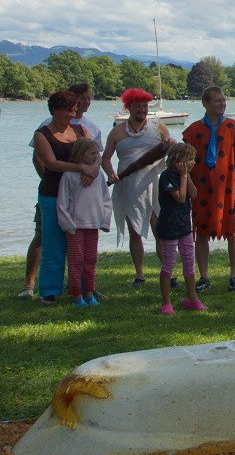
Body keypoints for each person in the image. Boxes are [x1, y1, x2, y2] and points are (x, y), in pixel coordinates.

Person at [20, 82, 101, 300]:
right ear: (55, 109)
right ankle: (50, 292)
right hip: (51, 193)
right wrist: (80, 167)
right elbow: (51, 163)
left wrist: (92, 170)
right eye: (69, 110)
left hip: (80, 194)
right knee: (53, 244)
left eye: (75, 110)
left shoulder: (80, 130)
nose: (73, 114)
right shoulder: (42, 134)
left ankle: (85, 287)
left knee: (82, 245)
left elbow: (94, 153)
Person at [102, 88, 171, 287]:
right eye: (137, 106)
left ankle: (168, 273)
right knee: (134, 232)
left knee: (160, 230)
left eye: (145, 106)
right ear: (128, 107)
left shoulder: (158, 126)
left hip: (155, 184)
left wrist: (171, 145)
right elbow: (105, 158)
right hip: (128, 186)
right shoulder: (117, 131)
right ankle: (139, 275)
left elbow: (170, 150)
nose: (142, 109)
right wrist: (110, 173)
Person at [182, 86, 235, 293]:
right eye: (218, 100)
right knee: (201, 232)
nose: (223, 103)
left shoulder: (233, 128)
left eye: (224, 100)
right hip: (200, 189)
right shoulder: (192, 131)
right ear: (206, 103)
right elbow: (184, 163)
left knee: (233, 231)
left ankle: (234, 276)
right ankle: (204, 277)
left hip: (228, 188)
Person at [56, 137, 111, 307]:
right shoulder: (68, 176)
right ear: (81, 155)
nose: (96, 156)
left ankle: (89, 294)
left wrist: (104, 221)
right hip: (75, 228)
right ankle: (77, 296)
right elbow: (62, 203)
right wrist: (69, 226)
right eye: (92, 153)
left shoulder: (99, 175)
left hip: (93, 226)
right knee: (76, 261)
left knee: (91, 260)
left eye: (97, 153)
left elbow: (105, 199)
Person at [156, 142, 206, 316]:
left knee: (188, 262)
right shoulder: (167, 177)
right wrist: (183, 177)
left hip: (184, 226)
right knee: (168, 264)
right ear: (178, 160)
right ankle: (166, 301)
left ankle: (191, 298)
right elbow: (180, 197)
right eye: (190, 159)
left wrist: (187, 176)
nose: (193, 162)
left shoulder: (185, 176)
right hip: (169, 226)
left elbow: (193, 194)